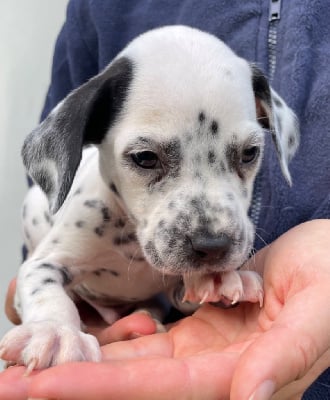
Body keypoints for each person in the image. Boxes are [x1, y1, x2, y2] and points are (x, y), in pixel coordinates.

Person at [1, 1, 330, 398]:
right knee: (37, 203)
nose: (212, 233)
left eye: (245, 155)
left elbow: (187, 294)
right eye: (147, 159)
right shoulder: (99, 12)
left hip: (173, 329)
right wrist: (53, 321)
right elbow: (38, 273)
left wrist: (199, 291)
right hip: (94, 301)